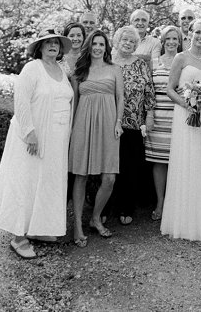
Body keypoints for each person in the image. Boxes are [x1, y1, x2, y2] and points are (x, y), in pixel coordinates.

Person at [0, 29, 74, 258]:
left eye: (56, 43)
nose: (53, 46)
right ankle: (18, 237)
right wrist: (29, 133)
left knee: (48, 183)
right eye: (48, 43)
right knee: (26, 181)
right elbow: (22, 102)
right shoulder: (32, 68)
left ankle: (39, 228)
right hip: (35, 136)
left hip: (57, 139)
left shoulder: (62, 70)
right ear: (40, 47)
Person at [161, 19, 201, 243]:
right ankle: (184, 221)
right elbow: (170, 89)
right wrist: (186, 104)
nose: (200, 36)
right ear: (189, 34)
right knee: (186, 163)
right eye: (197, 32)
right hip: (185, 114)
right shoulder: (180, 58)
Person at [69, 30, 124, 246]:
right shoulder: (79, 71)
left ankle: (95, 217)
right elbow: (74, 102)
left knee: (109, 177)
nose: (98, 48)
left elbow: (120, 97)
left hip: (109, 123)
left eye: (101, 44)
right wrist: (71, 130)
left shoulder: (115, 69)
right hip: (83, 124)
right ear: (88, 47)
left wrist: (118, 122)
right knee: (80, 175)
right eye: (94, 44)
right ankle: (77, 226)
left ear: (106, 48)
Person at [109, 26, 154, 226]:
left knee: (130, 166)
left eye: (132, 41)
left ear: (136, 45)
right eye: (124, 40)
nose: (128, 43)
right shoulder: (109, 63)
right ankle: (108, 206)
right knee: (110, 166)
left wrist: (149, 115)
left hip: (134, 122)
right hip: (110, 121)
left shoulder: (141, 64)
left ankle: (127, 207)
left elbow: (149, 91)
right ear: (117, 42)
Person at [145, 25, 181, 220]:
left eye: (175, 39)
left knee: (178, 160)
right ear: (163, 41)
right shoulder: (155, 62)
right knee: (159, 162)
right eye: (168, 38)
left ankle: (175, 203)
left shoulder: (183, 60)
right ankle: (160, 202)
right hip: (158, 116)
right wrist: (149, 114)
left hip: (179, 116)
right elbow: (149, 89)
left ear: (179, 41)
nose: (172, 42)